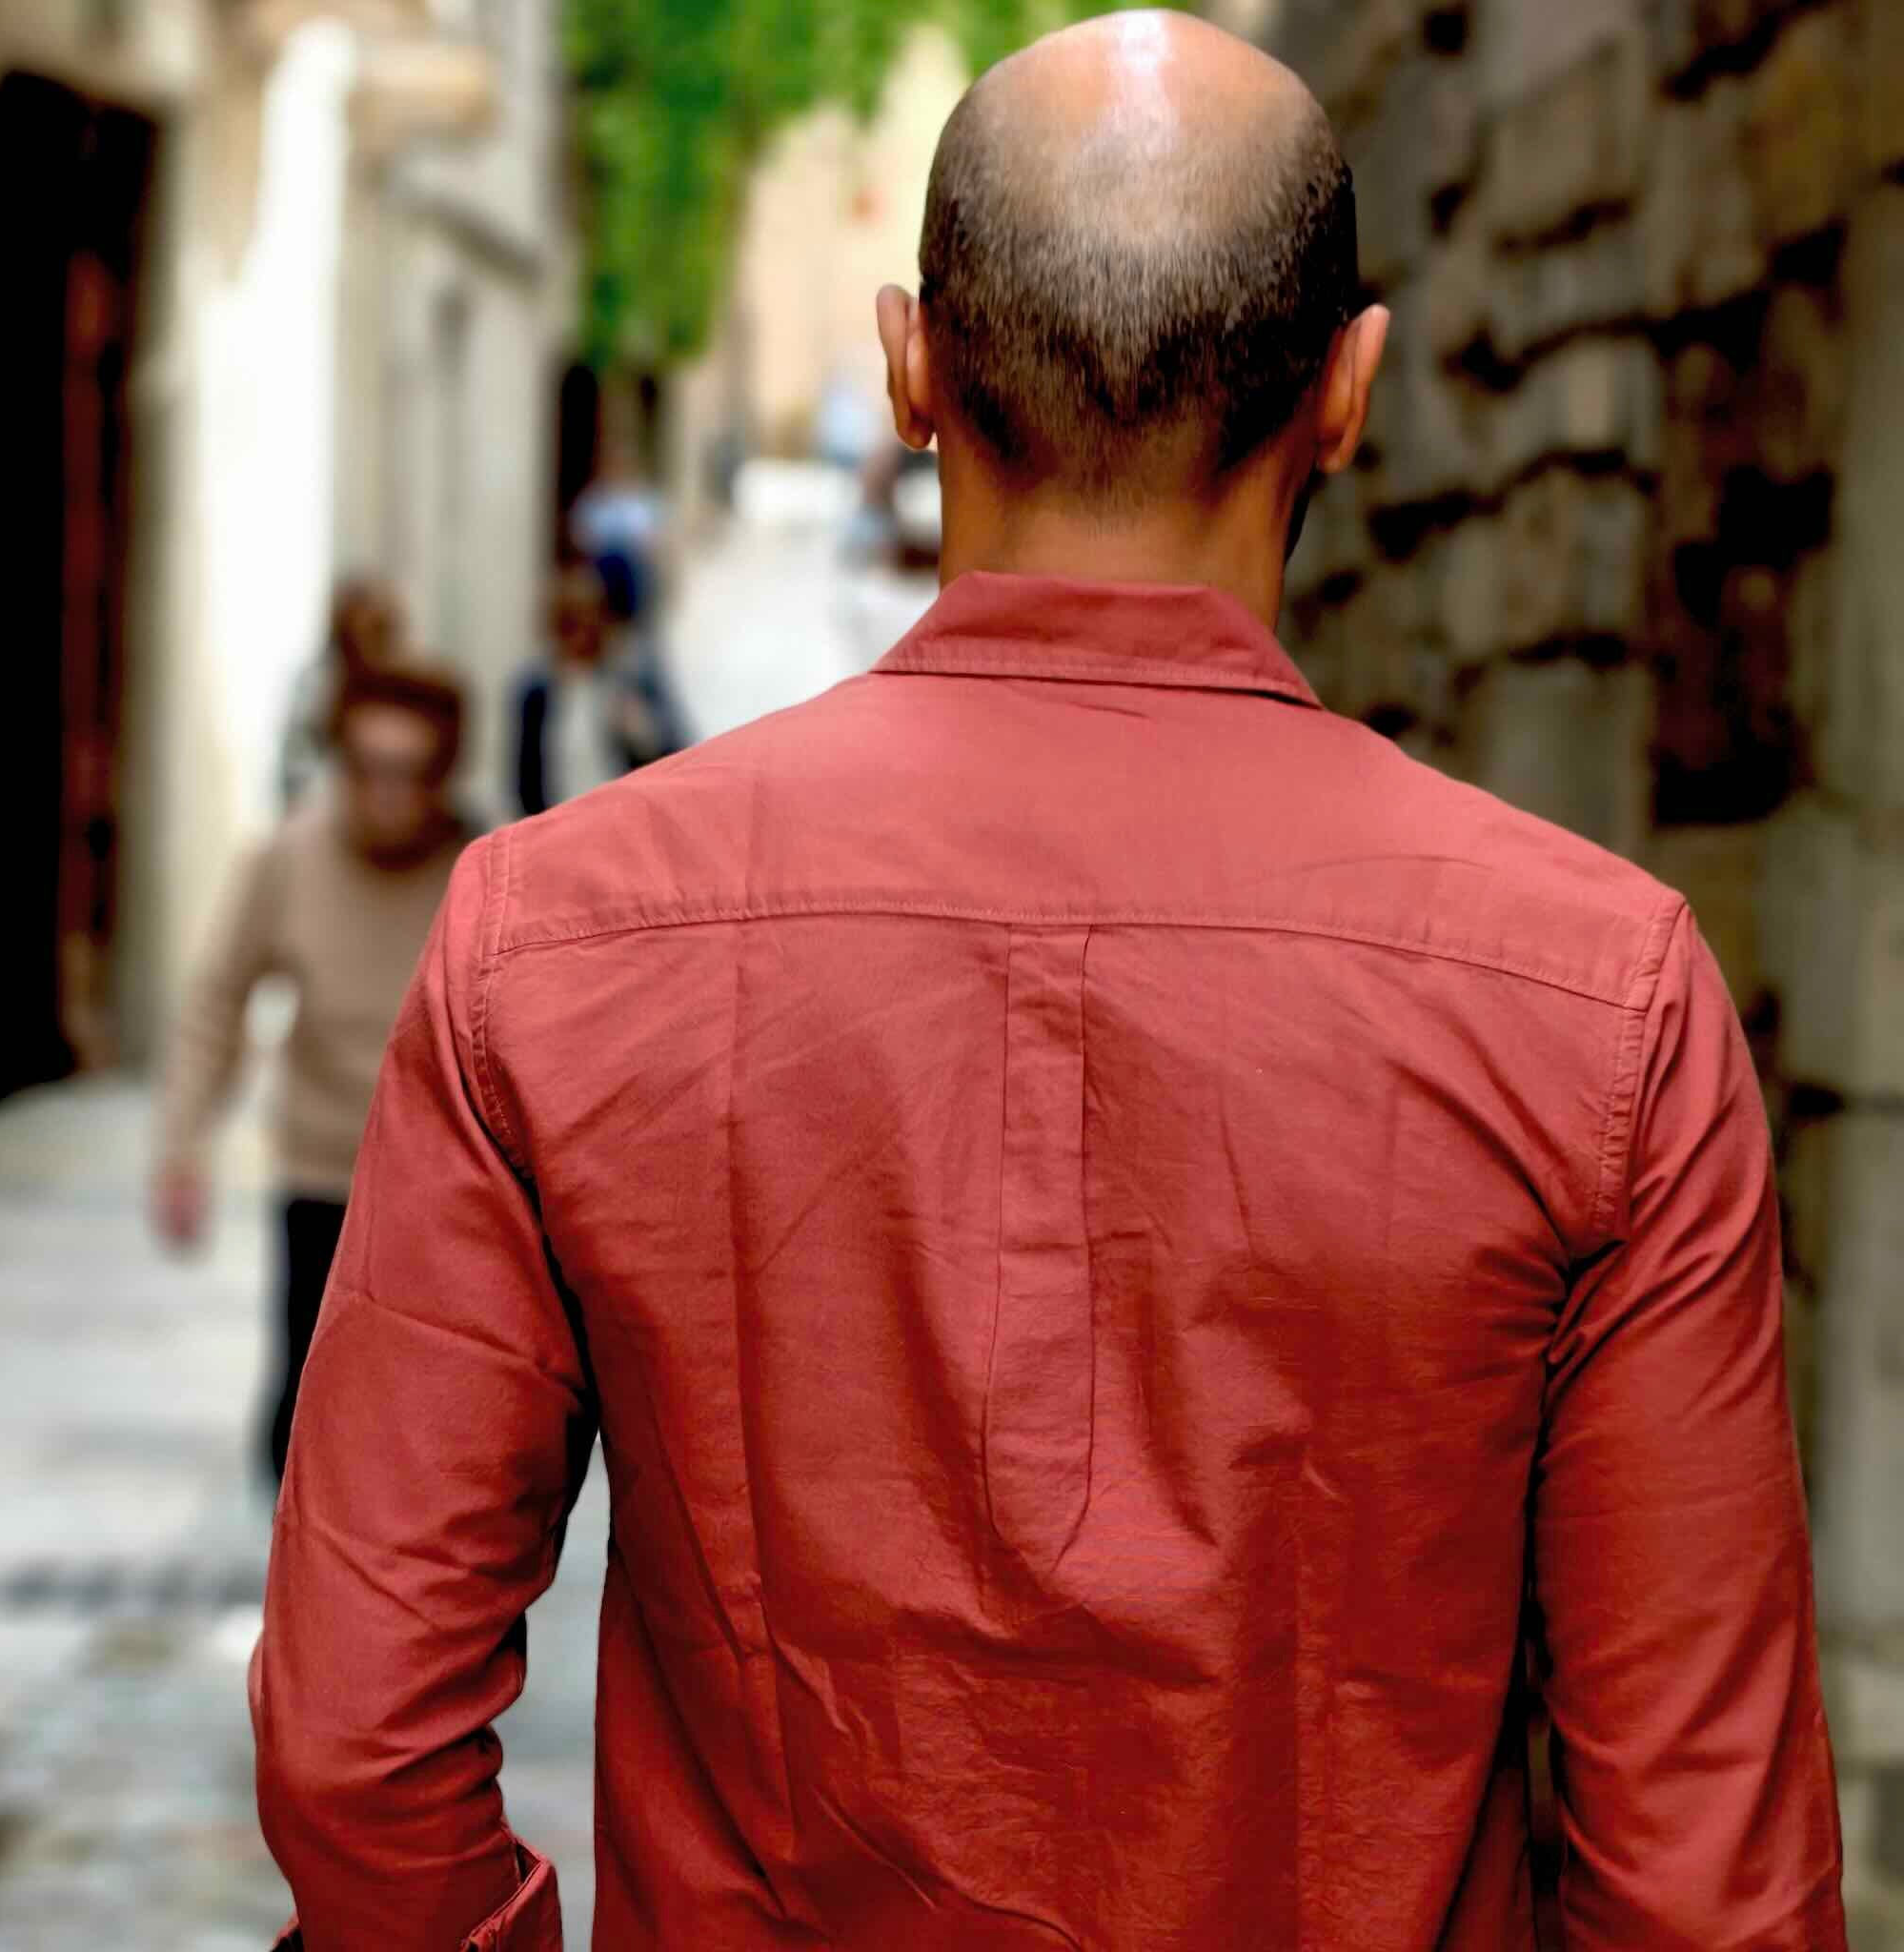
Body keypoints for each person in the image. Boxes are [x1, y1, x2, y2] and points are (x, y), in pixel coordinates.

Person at [251, 14, 1845, 1952]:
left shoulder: (556, 937)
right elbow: (1708, 1886)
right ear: (1349, 391)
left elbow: (357, 1747)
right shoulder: (1600, 1001)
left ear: (909, 367)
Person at [152, 662, 474, 1489]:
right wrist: (183, 1147)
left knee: (436, 1427)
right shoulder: (289, 857)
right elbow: (218, 999)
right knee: (304, 1410)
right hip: (324, 1172)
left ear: (444, 774)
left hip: (449, 1189)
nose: (387, 795)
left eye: (410, 772)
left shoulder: (483, 869)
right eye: (367, 769)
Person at [512, 554, 690, 817]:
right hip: (559, 823)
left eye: (589, 620)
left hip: (620, 820)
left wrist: (639, 728)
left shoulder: (631, 681)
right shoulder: (537, 693)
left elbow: (668, 754)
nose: (581, 636)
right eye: (569, 624)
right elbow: (526, 778)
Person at [276, 576, 407, 809]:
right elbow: (297, 760)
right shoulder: (317, 683)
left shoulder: (405, 685)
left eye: (378, 631)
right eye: (364, 629)